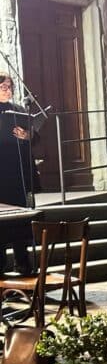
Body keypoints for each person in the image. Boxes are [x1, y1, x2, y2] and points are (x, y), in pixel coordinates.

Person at [0, 74, 32, 275]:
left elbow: (33, 135)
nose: (7, 90)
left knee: (20, 221)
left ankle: (23, 263)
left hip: (17, 173)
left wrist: (26, 135)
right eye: (3, 86)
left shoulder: (18, 110)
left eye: (10, 86)